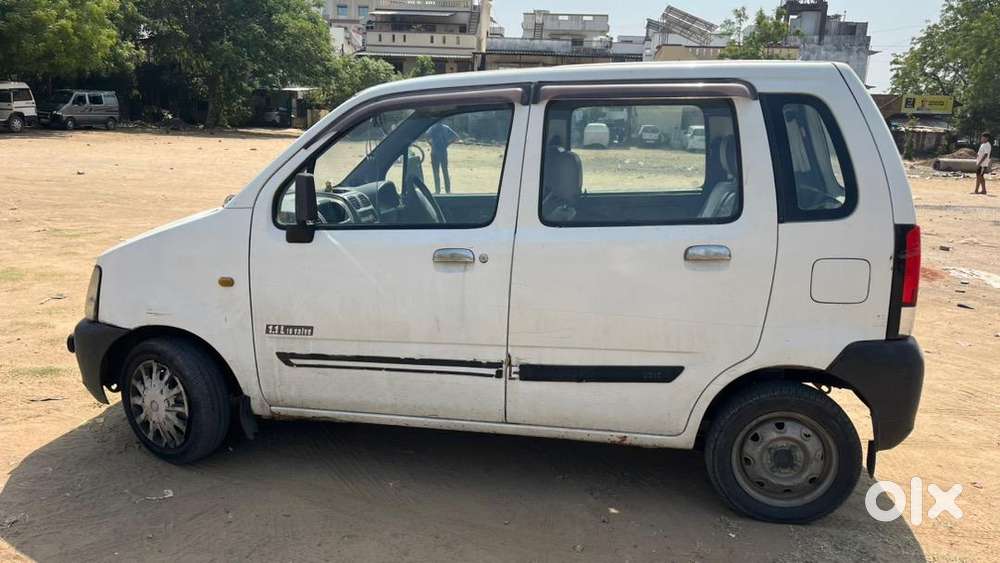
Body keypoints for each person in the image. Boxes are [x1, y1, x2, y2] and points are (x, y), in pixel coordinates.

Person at [427, 121, 459, 194]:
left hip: (434, 152)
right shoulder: (445, 128)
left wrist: (431, 144)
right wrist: (447, 143)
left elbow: (426, 136)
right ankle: (447, 190)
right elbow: (456, 137)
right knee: (445, 171)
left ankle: (438, 190)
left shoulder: (432, 128)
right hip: (443, 152)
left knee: (436, 172)